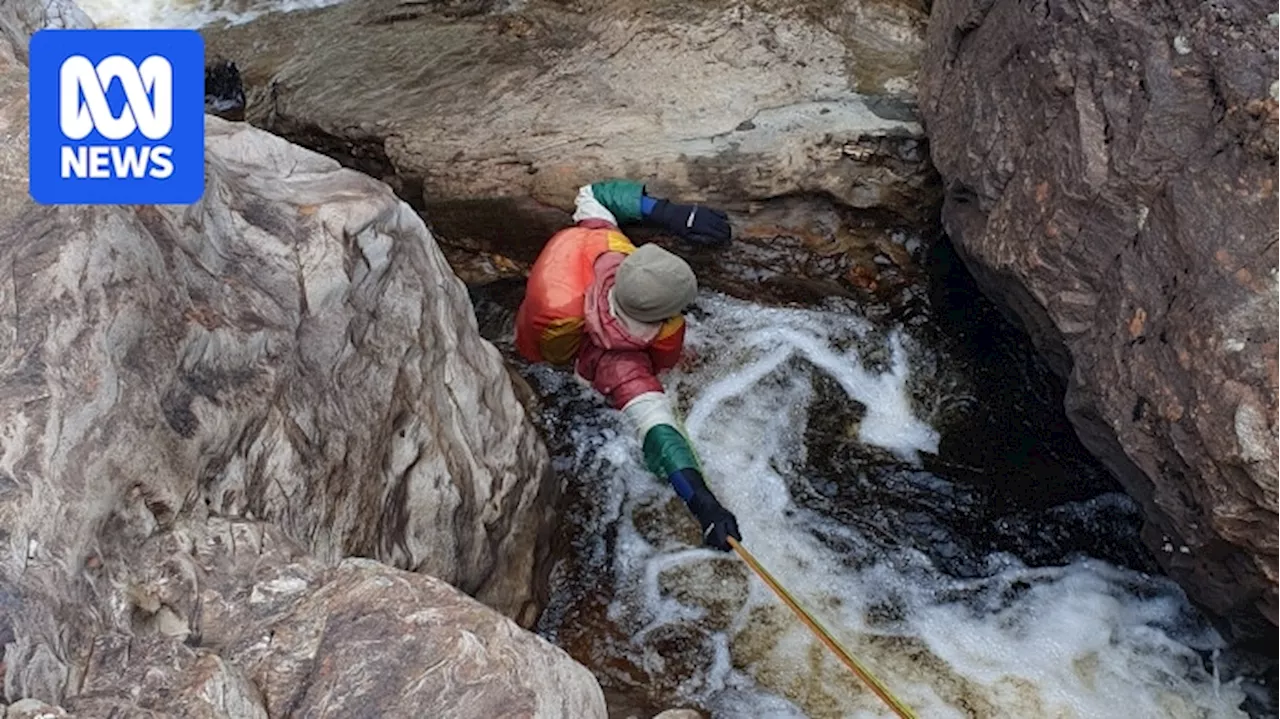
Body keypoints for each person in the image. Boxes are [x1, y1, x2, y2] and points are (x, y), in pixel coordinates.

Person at [514, 179, 742, 551]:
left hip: (545, 308)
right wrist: (701, 501)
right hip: (578, 363)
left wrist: (671, 214)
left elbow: (592, 195)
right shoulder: (619, 361)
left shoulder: (605, 253)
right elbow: (657, 428)